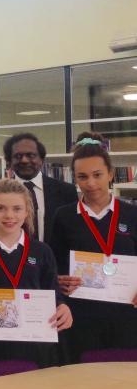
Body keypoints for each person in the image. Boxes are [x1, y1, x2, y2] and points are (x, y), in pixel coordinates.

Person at [0, 178, 73, 369]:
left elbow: (54, 294)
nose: (9, 215)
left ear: (27, 211)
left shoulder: (42, 251)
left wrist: (63, 307)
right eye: (1, 208)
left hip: (34, 348)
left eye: (17, 209)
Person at [49, 132, 137, 363]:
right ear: (75, 179)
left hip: (127, 313)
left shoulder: (132, 214)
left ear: (110, 173)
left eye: (97, 175)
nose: (91, 183)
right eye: (82, 176)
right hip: (82, 314)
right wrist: (60, 279)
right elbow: (54, 265)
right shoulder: (64, 216)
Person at [0, 133, 77, 243]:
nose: (24, 160)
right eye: (18, 156)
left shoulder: (66, 191)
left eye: (31, 155)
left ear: (42, 160)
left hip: (52, 259)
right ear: (9, 162)